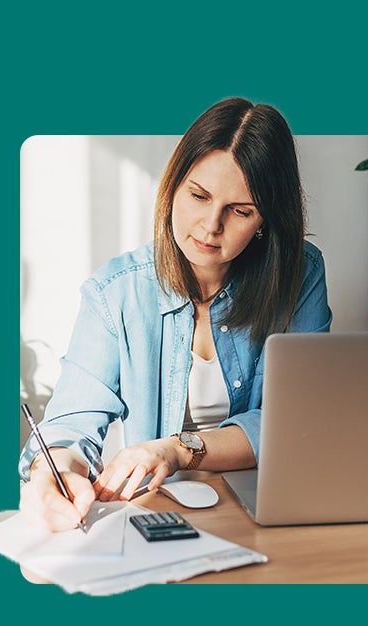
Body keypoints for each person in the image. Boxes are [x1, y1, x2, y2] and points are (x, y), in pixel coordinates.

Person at [18, 97, 332, 531]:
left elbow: (299, 416)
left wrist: (178, 449)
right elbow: (72, 421)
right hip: (162, 517)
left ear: (265, 221)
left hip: (271, 511)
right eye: (199, 196)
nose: (209, 226)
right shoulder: (116, 293)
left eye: (240, 211)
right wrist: (55, 470)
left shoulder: (300, 273)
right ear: (172, 187)